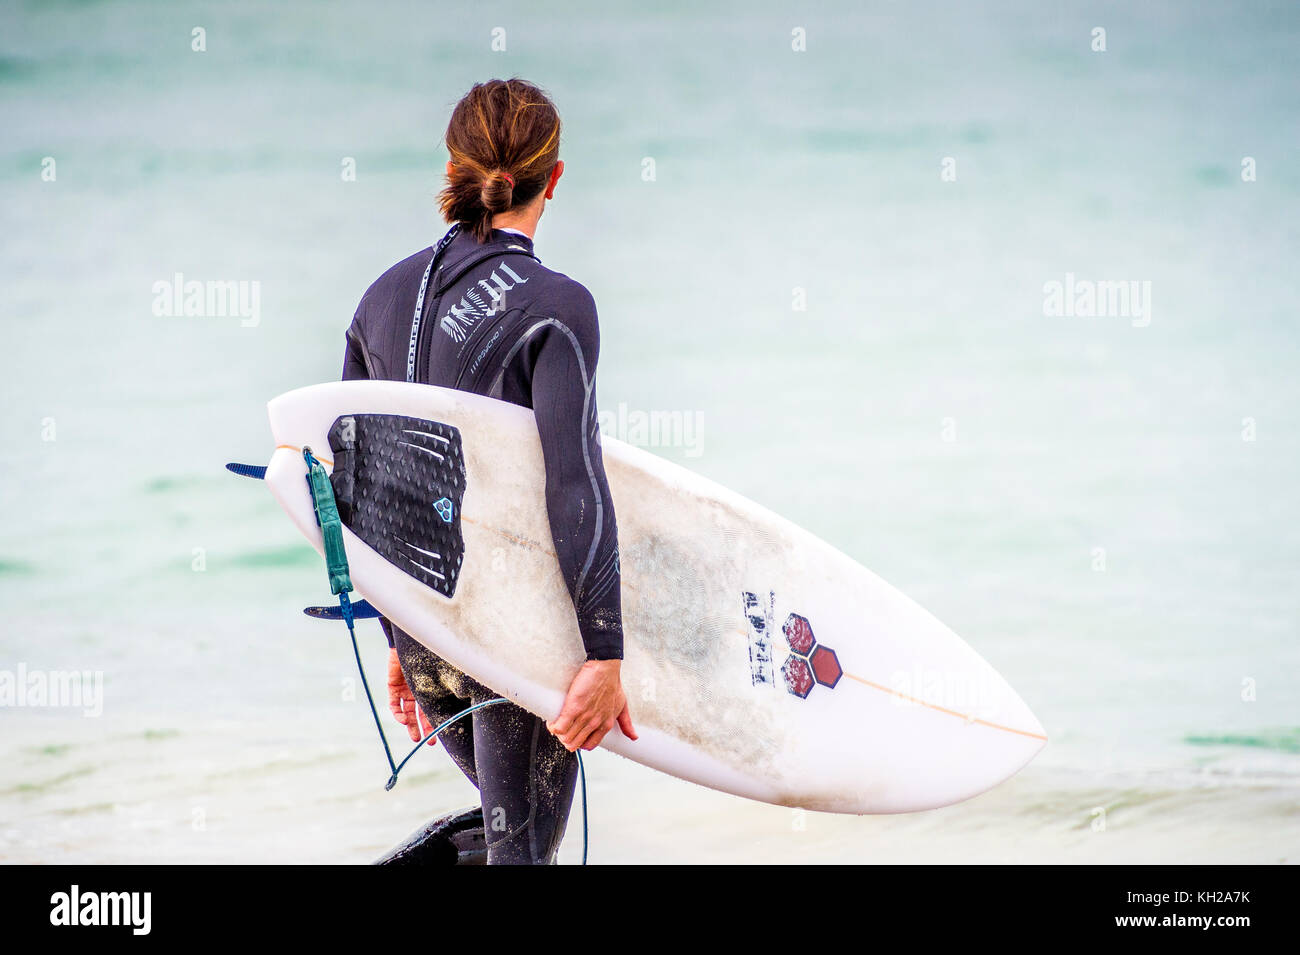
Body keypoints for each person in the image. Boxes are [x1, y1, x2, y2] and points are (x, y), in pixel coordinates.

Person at [341, 78, 636, 864]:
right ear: (556, 177)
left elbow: (361, 490)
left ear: (455, 166)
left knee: (517, 847)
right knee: (523, 855)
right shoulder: (555, 305)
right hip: (510, 634)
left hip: (426, 631)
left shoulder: (379, 298)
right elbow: (574, 482)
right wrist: (604, 653)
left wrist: (398, 642)